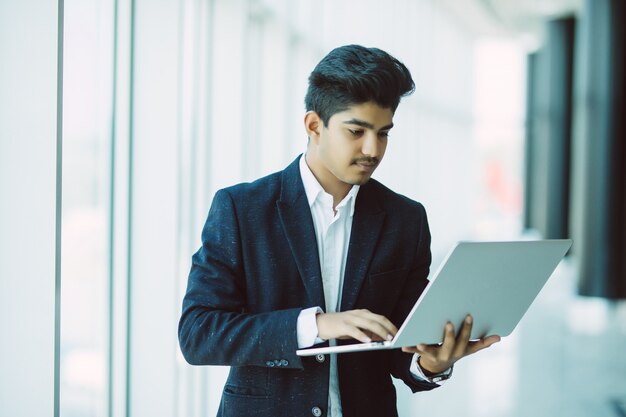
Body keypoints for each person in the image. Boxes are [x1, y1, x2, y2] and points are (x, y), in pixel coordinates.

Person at [178, 44, 500, 417]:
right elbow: (198, 333)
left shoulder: (405, 219)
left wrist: (432, 363)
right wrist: (316, 325)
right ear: (314, 125)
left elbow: (400, 341)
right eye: (356, 131)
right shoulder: (242, 209)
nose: (372, 149)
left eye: (383, 134)